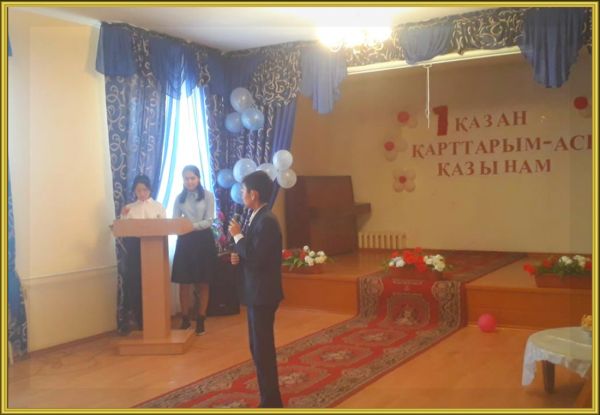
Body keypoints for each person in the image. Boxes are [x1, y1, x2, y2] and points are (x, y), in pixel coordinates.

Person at [228, 170, 284, 408]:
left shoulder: (267, 221)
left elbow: (258, 257)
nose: (240, 194)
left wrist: (238, 237)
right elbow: (252, 254)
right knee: (257, 347)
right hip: (256, 291)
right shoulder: (255, 216)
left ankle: (271, 401)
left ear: (254, 194)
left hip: (263, 293)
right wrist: (238, 255)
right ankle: (268, 398)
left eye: (243, 190)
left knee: (262, 348)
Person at [171, 165, 217, 336]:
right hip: (185, 241)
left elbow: (209, 220)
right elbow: (175, 220)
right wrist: (183, 228)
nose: (189, 181)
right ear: (183, 180)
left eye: (192, 178)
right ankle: (185, 318)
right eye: (186, 178)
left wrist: (190, 226)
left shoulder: (208, 196)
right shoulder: (179, 198)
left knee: (203, 281)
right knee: (184, 282)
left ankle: (201, 319)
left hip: (203, 240)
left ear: (198, 179)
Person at [119, 174, 167, 334]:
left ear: (150, 190)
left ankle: (158, 322)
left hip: (154, 249)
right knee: (136, 284)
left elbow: (164, 227)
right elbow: (123, 230)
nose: (142, 193)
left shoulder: (158, 207)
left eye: (145, 190)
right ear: (134, 191)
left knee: (154, 284)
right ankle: (141, 322)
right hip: (135, 250)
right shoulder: (129, 208)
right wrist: (123, 215)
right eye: (138, 190)